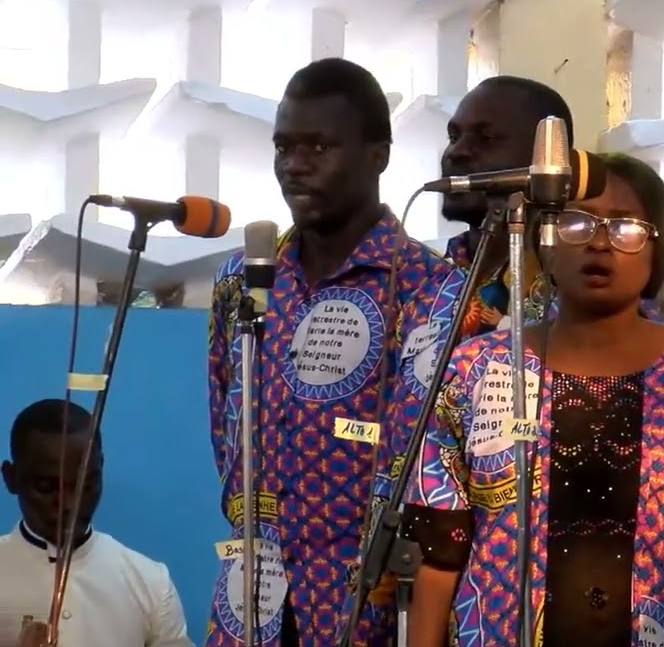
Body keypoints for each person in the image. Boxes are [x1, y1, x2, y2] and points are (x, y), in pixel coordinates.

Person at [401, 154, 664, 647]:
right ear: (543, 243)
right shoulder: (475, 368)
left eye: (627, 227)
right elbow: (440, 552)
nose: (599, 241)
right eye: (575, 221)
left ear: (659, 247)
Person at [204, 58, 464, 647]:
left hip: (370, 615)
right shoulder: (239, 282)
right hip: (252, 609)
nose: (295, 165)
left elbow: (433, 475)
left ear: (379, 155)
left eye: (320, 145)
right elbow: (228, 432)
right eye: (283, 146)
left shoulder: (431, 289)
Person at [438, 76, 661, 333]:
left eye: (486, 138)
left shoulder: (596, 292)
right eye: (453, 137)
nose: (456, 152)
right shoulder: (422, 282)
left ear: (552, 159)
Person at [1, 399, 192, 646]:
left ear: (100, 469)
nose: (69, 504)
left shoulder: (150, 582)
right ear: (11, 478)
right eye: (47, 487)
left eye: (85, 485)